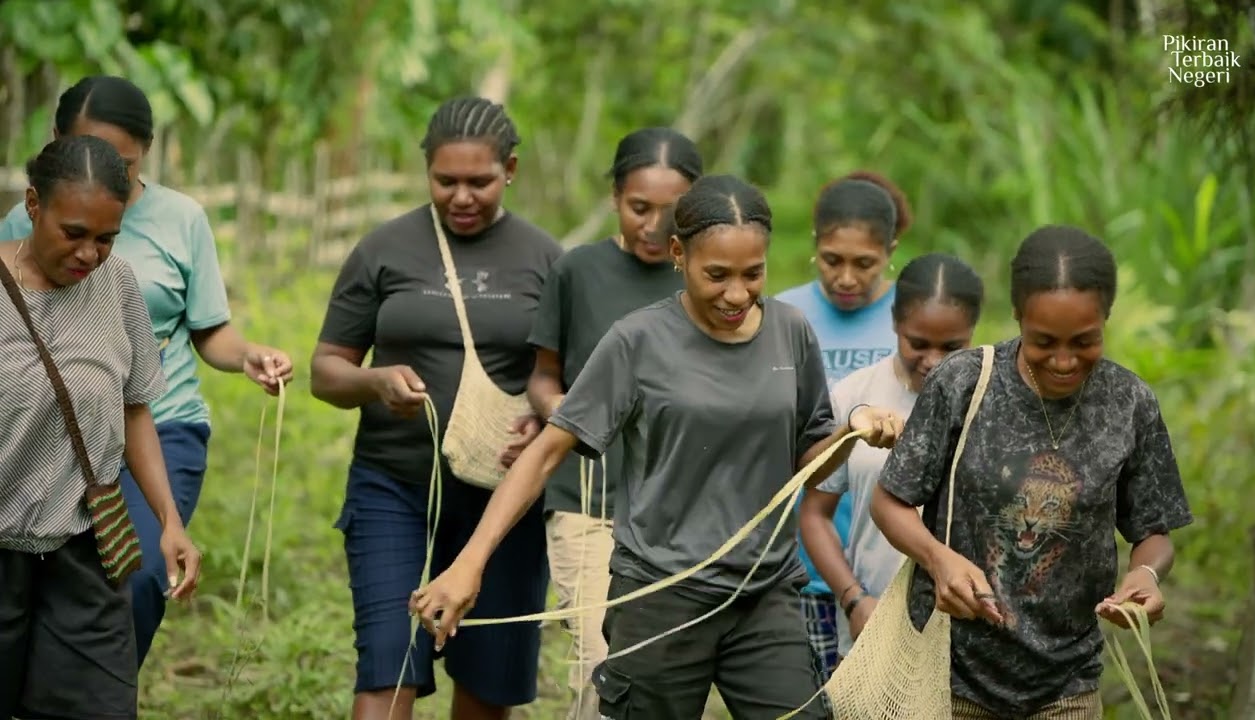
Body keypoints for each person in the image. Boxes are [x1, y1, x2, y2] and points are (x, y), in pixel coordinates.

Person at [411, 174, 903, 719]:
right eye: (716, 274)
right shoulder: (637, 340)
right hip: (659, 597)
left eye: (753, 273)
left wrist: (850, 432)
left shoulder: (791, 331)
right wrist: (468, 564)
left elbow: (809, 464)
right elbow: (547, 452)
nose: (737, 293)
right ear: (678, 254)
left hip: (765, 593)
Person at [0, 75, 292, 665]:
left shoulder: (179, 222)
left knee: (130, 578)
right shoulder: (17, 226)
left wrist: (249, 355)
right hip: (54, 432)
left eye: (122, 164)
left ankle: (100, 683)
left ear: (147, 153)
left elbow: (210, 330)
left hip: (162, 422)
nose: (104, 170)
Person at [869, 226, 1194, 718]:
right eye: (1043, 341)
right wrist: (938, 560)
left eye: (1085, 341)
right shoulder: (962, 383)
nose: (1064, 361)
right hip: (949, 676)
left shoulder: (1129, 404)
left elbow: (1153, 531)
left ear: (1105, 318)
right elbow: (889, 500)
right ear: (1018, 316)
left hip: (1066, 683)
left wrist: (1144, 575)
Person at [310, 96, 562, 720]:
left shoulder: (546, 258)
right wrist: (374, 382)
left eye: (480, 181)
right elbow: (326, 371)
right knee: (387, 666)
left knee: (487, 683)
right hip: (392, 486)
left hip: (503, 499)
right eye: (445, 181)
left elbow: (563, 378)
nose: (462, 196)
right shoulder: (383, 249)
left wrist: (540, 418)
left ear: (512, 169)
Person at [0, 134, 201, 720]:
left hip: (83, 552)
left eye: (106, 238)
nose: (90, 254)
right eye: (74, 233)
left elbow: (135, 407)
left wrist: (169, 520)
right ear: (34, 205)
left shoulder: (118, 287)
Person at [526, 127, 701, 720]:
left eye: (672, 212)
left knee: (665, 676)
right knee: (603, 667)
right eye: (638, 208)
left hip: (681, 510)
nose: (654, 225)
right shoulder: (577, 271)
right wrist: (563, 416)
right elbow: (544, 377)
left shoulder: (709, 277)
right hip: (588, 499)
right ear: (615, 200)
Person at [798, 253, 984, 662]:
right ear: (895, 322)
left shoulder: (994, 396)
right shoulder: (855, 395)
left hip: (975, 633)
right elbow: (814, 513)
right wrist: (852, 599)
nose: (933, 360)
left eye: (952, 346)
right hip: (876, 627)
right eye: (917, 343)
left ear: (973, 331)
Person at [775, 170, 911, 682]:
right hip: (798, 564)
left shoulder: (915, 317)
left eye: (865, 264)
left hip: (888, 563)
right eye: (833, 261)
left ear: (891, 250)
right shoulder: (785, 314)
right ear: (815, 246)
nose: (847, 278)